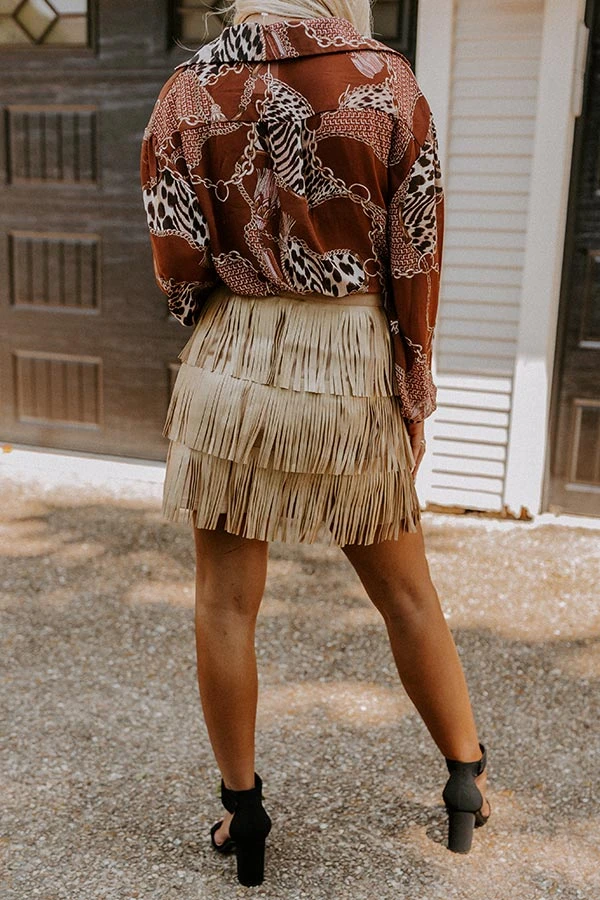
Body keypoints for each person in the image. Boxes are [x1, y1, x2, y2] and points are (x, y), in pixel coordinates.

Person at [140, 0, 491, 886]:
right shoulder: (388, 82)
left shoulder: (189, 88)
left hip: (232, 356)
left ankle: (245, 812)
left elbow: (176, 254)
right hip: (350, 359)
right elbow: (415, 254)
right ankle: (464, 778)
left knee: (224, 602)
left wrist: (220, 315)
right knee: (406, 593)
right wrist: (413, 385)